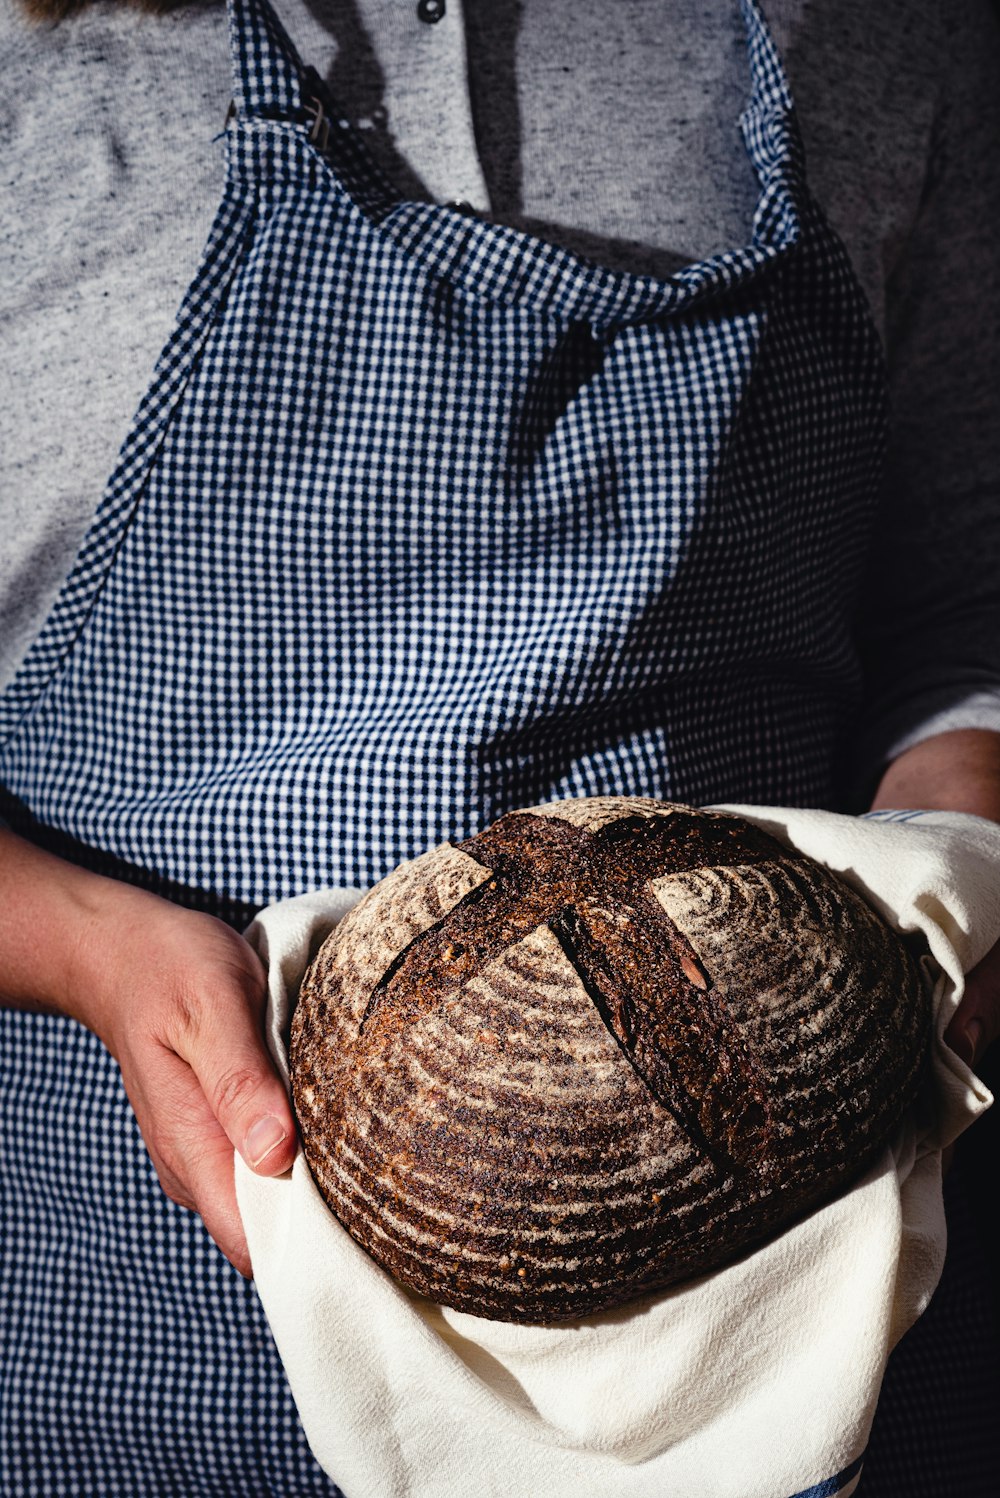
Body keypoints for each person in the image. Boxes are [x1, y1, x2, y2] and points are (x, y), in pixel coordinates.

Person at [1, 0, 998, 1492]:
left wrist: (963, 842)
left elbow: (961, 596)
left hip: (824, 1280)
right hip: (144, 1328)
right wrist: (79, 943)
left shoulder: (876, 34)